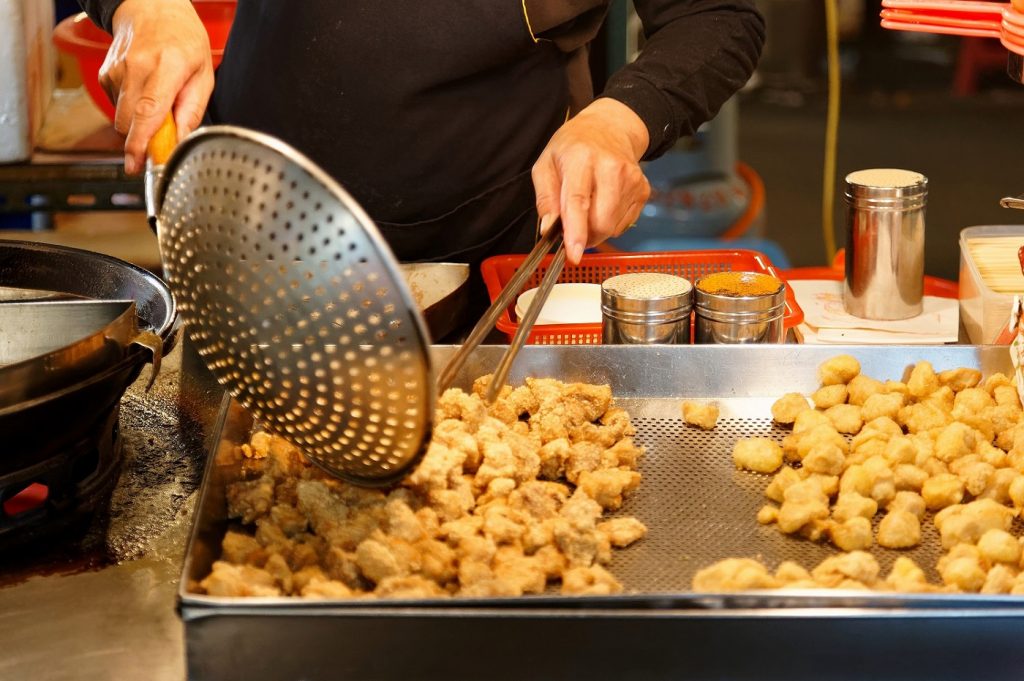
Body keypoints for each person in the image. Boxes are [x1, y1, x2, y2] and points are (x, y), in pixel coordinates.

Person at [80, 0, 763, 276]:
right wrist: (143, 5)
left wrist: (618, 121)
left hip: (480, 277)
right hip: (249, 253)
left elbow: (718, 14)